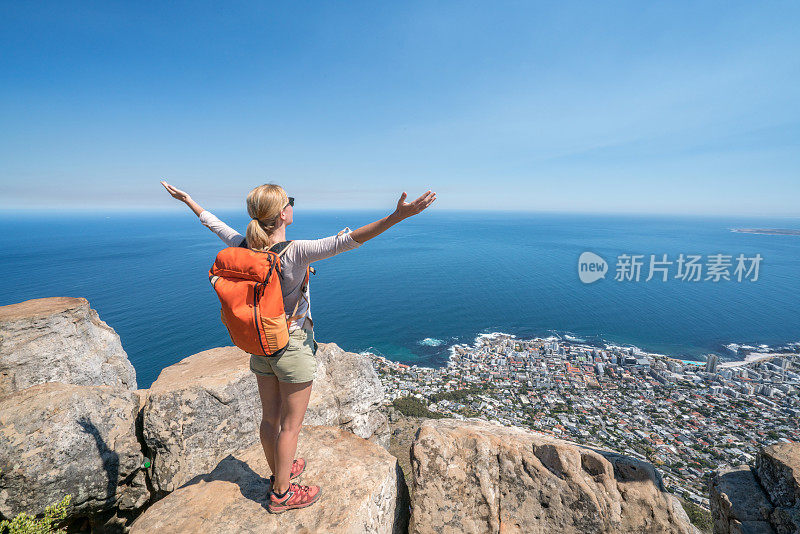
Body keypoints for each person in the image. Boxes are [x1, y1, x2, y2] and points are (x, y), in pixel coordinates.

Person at [161, 180, 436, 513]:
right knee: (290, 426)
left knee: (270, 421)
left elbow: (215, 225)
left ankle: (280, 468)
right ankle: (282, 493)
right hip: (291, 345)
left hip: (261, 346)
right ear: (281, 214)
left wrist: (189, 200)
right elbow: (350, 240)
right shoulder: (295, 252)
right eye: (289, 201)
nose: (293, 204)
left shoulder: (245, 245)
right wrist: (397, 217)